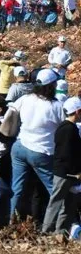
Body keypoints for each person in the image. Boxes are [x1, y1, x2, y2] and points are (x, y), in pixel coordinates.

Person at [6, 69, 64, 218]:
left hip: (20, 147)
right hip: (41, 151)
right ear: (51, 86)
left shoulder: (26, 98)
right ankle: (63, 223)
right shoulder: (56, 106)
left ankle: (10, 220)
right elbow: (66, 129)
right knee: (55, 189)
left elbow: (10, 114)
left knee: (16, 188)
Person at [41, 97, 81, 237]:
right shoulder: (69, 130)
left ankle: (60, 233)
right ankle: (46, 232)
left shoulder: (64, 127)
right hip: (66, 173)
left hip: (66, 172)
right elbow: (67, 154)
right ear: (77, 111)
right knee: (57, 202)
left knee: (68, 204)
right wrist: (75, 172)